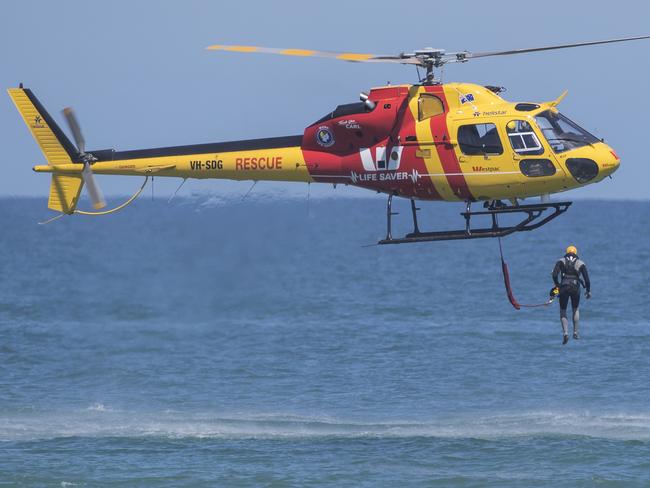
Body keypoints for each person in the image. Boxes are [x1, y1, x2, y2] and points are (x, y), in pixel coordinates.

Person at [552, 245, 591, 344]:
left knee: (563, 310)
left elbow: (554, 274)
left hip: (563, 287)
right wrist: (588, 291)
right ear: (576, 253)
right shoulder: (580, 263)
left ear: (566, 252)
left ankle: (565, 333)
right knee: (575, 309)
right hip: (575, 287)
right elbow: (587, 279)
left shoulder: (561, 261)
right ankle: (575, 332)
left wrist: (557, 285)